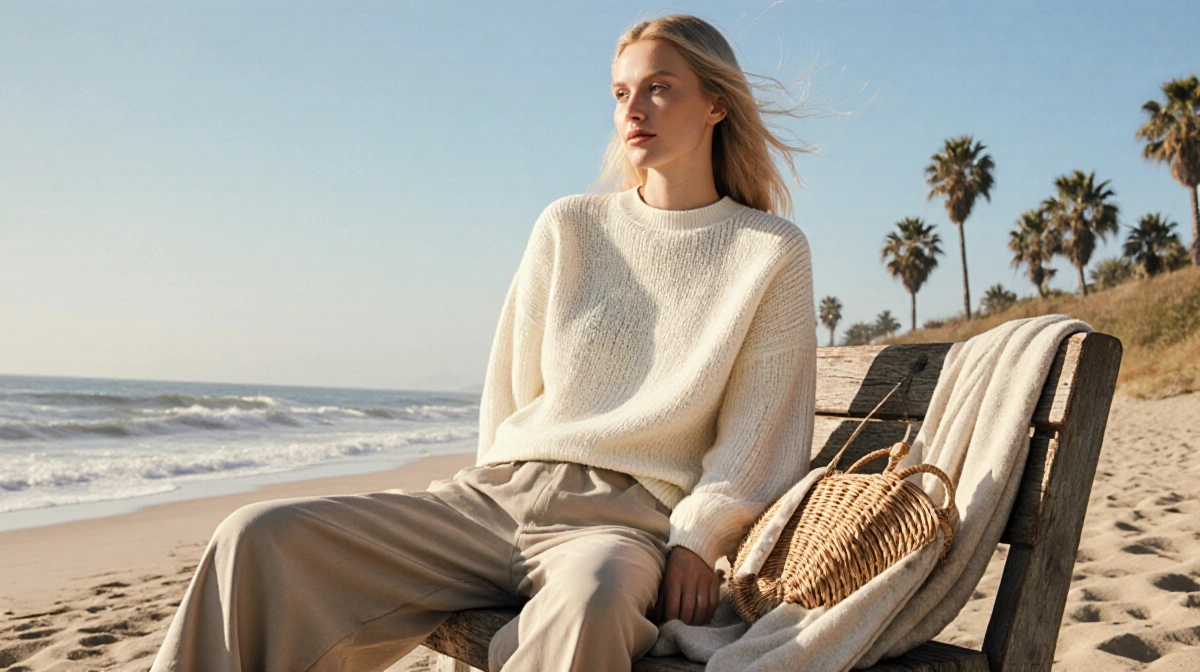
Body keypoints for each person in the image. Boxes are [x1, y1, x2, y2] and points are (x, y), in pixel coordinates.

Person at [150, 13, 816, 672]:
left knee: (592, 602)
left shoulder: (770, 252)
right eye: (620, 93)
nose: (633, 110)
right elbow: (509, 390)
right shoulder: (570, 226)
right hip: (492, 498)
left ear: (716, 104)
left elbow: (759, 435)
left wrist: (696, 538)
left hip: (622, 524)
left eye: (659, 88)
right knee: (254, 536)